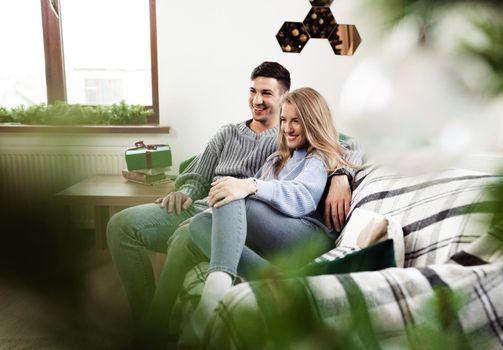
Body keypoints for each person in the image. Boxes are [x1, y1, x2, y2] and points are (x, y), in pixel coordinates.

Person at [106, 62, 363, 330]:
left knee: (225, 199)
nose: (258, 100)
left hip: (257, 213)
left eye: (267, 93)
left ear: (284, 97)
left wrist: (342, 174)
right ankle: (152, 330)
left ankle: (212, 294)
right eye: (253, 91)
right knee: (128, 225)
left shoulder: (303, 146)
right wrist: (185, 191)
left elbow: (344, 145)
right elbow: (196, 175)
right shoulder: (245, 140)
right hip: (212, 207)